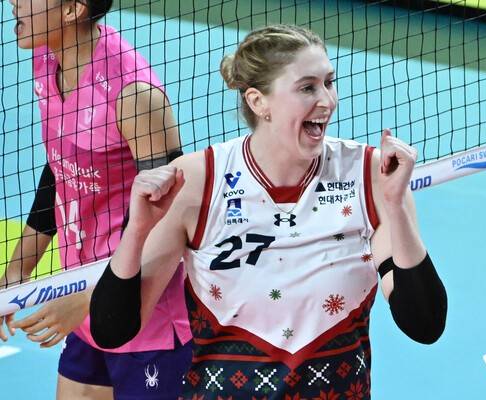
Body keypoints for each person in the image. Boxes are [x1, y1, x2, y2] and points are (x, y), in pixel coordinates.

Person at [89, 24, 447, 399]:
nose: (327, 100)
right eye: (307, 88)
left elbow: (425, 324)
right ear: (258, 102)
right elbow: (112, 330)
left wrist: (396, 207)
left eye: (329, 82)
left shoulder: (370, 176)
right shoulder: (197, 180)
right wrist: (137, 232)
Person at [0, 0, 192, 398]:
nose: (14, 2)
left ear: (72, 9)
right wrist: (17, 270)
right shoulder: (45, 58)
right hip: (84, 294)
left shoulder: (134, 96)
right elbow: (60, 167)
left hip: (144, 313)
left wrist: (93, 299)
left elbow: (170, 217)